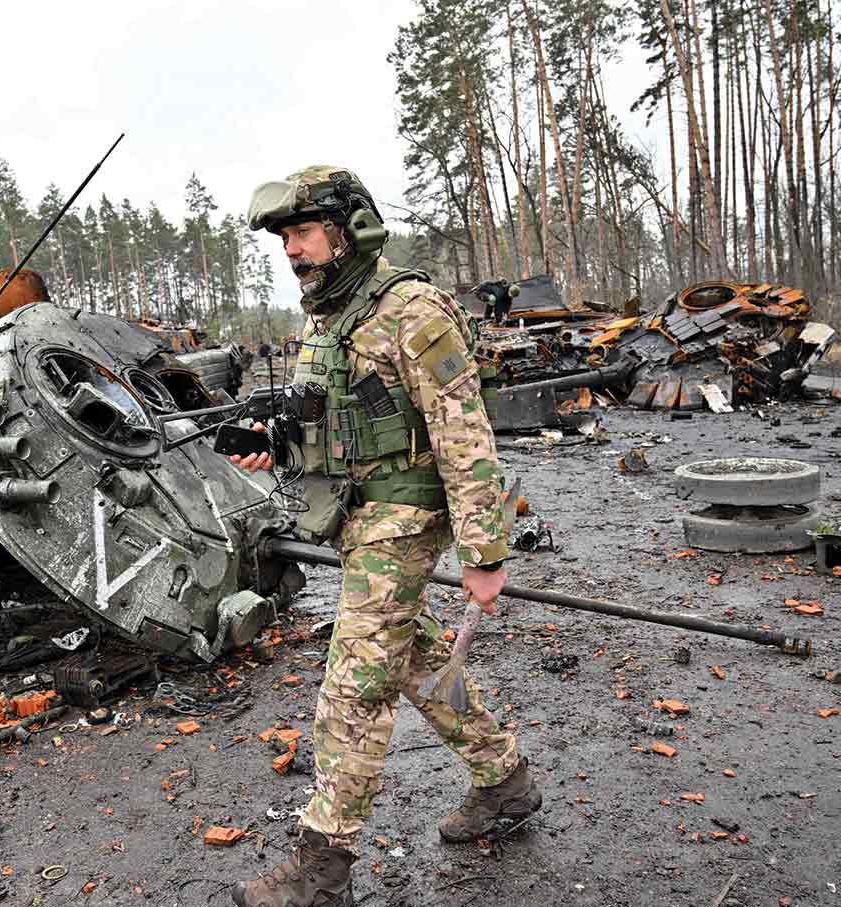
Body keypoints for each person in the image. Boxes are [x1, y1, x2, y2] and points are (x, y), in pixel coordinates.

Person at [229, 167, 541, 907]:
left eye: (303, 232)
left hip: (404, 516)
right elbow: (331, 422)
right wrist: (273, 441)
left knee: (356, 683)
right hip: (358, 515)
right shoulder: (327, 318)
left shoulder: (412, 309)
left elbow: (465, 436)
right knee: (411, 656)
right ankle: (504, 779)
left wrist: (485, 552)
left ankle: (322, 865)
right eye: (284, 238)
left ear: (348, 229)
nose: (292, 250)